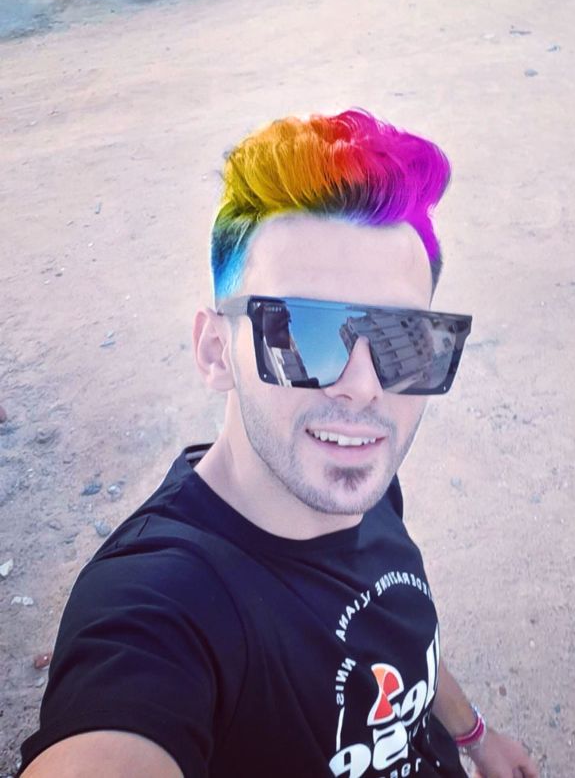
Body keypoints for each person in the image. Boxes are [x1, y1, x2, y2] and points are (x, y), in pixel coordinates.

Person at [19, 110, 539, 778]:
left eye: (403, 341)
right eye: (299, 332)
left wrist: (474, 733)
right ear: (216, 351)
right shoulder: (160, 606)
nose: (364, 388)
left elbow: (401, 639)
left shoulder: (361, 480)